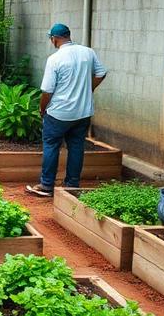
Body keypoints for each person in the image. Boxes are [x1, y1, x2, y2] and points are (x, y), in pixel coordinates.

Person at [25, 23, 107, 197]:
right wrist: (88, 89)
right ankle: (72, 185)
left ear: (55, 39)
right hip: (83, 112)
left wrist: (42, 109)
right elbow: (101, 73)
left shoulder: (55, 59)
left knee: (51, 146)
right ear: (69, 35)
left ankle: (47, 186)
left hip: (59, 113)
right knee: (76, 147)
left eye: (51, 39)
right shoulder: (88, 52)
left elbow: (47, 91)